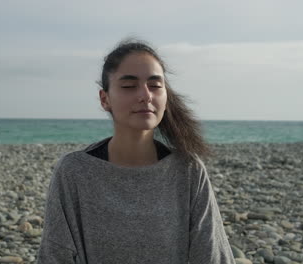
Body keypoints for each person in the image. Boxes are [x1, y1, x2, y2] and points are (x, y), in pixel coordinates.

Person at [37, 39, 235, 264]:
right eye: (129, 86)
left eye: (155, 85)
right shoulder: (75, 171)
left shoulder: (187, 169)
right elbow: (55, 255)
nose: (145, 95)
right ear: (105, 99)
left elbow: (212, 256)